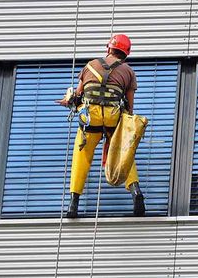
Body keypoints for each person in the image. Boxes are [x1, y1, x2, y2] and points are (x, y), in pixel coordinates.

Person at [56, 34, 145, 218]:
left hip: (91, 117)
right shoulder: (128, 71)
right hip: (113, 117)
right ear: (125, 53)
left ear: (109, 48)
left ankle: (73, 202)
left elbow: (78, 95)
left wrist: (68, 101)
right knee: (123, 154)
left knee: (82, 155)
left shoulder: (90, 66)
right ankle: (136, 192)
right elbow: (129, 105)